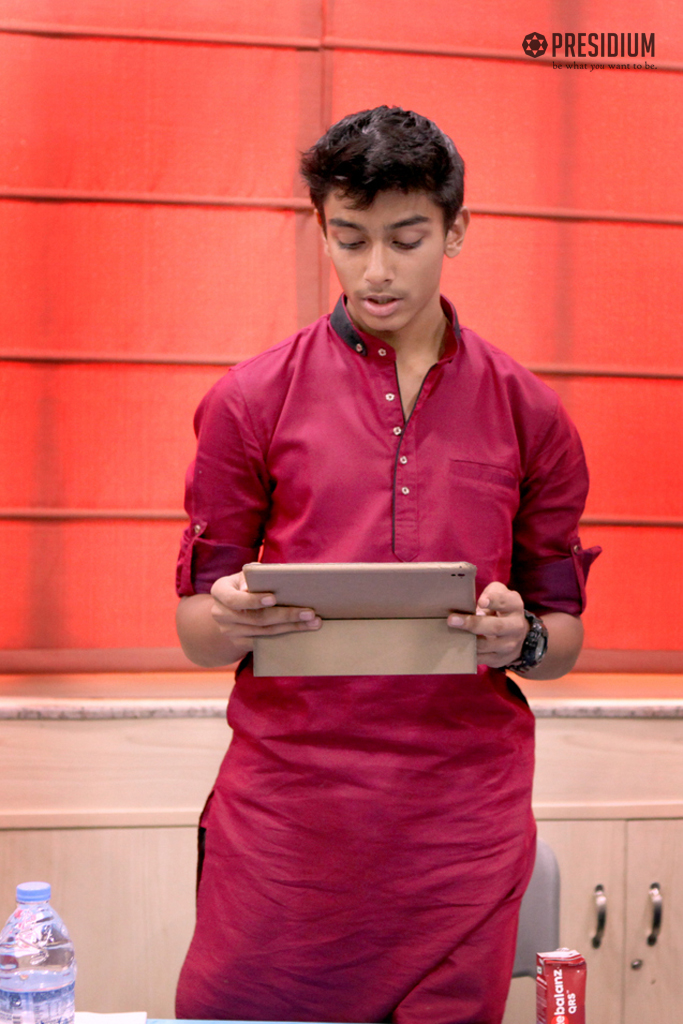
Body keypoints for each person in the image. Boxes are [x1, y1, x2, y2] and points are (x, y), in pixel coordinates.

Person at [174, 106, 600, 1024]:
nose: (375, 271)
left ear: (455, 229)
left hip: (459, 826)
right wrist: (229, 617)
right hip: (289, 822)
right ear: (320, 227)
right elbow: (196, 634)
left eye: (406, 240)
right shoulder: (249, 400)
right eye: (350, 238)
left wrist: (520, 639)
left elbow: (560, 637)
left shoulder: (529, 413)